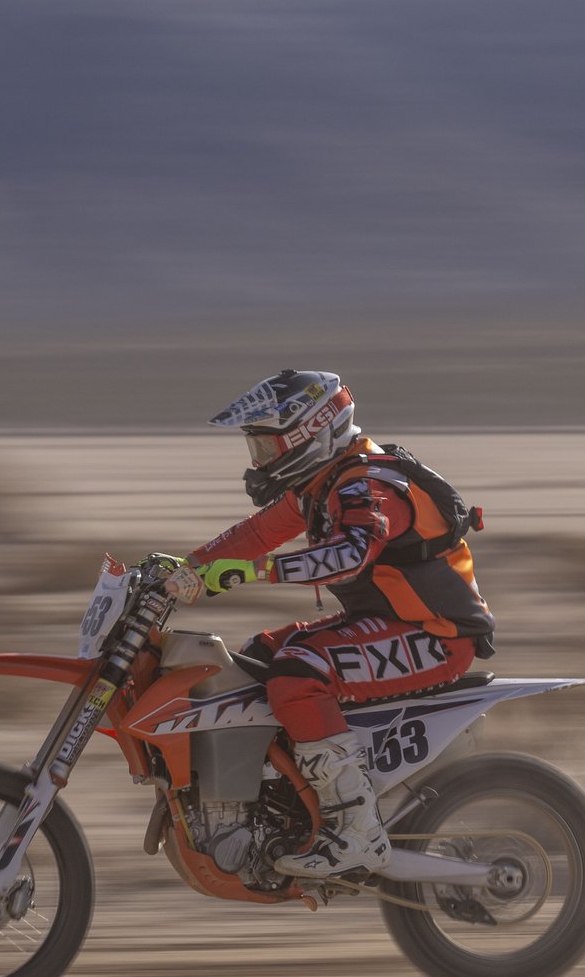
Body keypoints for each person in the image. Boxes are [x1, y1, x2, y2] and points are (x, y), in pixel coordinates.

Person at [166, 370, 495, 877]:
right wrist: (178, 570)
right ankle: (279, 808)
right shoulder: (320, 487)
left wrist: (253, 572)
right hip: (389, 624)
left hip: (437, 635)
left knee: (297, 674)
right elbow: (255, 534)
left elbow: (348, 555)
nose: (260, 459)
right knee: (249, 662)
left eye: (268, 446)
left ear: (310, 434)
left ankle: (355, 829)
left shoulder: (369, 485)